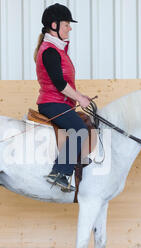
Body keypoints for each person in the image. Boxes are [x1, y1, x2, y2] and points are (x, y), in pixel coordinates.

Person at [34, 3, 91, 192]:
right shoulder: (50, 50)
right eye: (66, 24)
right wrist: (80, 99)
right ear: (54, 25)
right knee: (79, 129)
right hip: (52, 103)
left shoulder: (57, 49)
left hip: (60, 102)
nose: (70, 28)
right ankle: (60, 173)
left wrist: (80, 96)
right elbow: (59, 83)